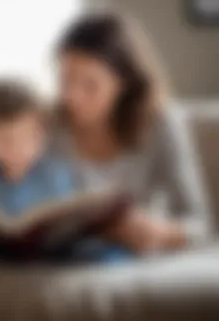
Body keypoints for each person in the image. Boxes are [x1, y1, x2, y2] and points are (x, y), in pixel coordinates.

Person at [50, 13, 212, 254]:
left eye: (90, 85)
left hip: (127, 256)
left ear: (124, 82)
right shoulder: (49, 123)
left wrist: (161, 232)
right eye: (66, 80)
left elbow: (200, 225)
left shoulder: (161, 123)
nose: (73, 97)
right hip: (66, 257)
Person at [0, 79, 131, 263]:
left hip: (53, 254)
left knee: (107, 253)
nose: (17, 149)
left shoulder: (56, 174)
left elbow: (68, 225)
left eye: (27, 137)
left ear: (41, 133)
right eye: (5, 140)